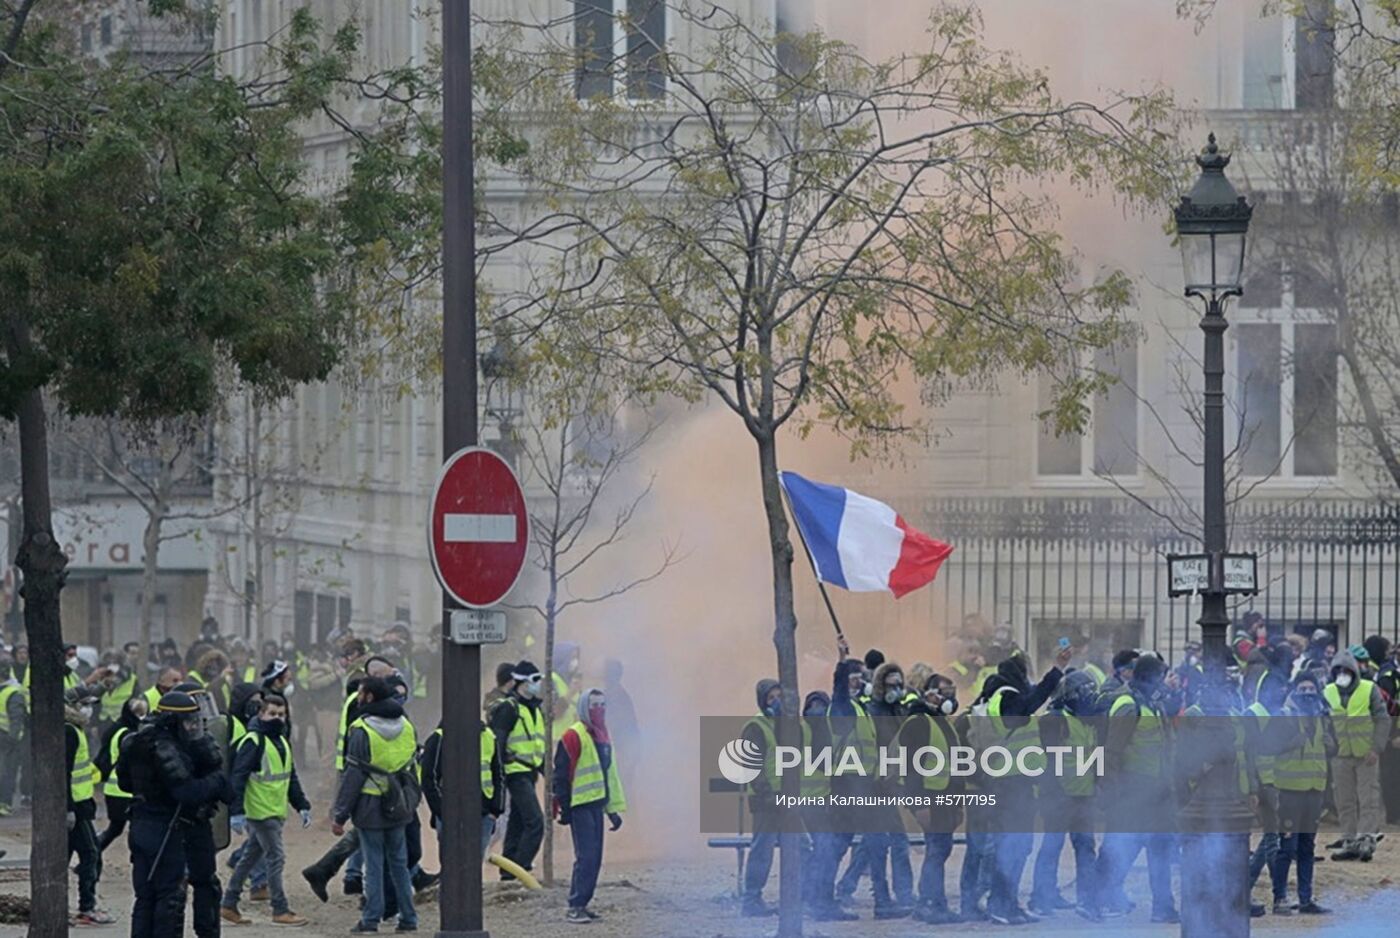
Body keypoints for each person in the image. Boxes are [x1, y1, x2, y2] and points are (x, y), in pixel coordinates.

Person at [119, 691, 230, 938]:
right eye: (188, 722)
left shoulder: (135, 740)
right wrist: (216, 781)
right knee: (167, 896)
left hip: (141, 824)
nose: (193, 727)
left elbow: (125, 784)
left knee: (146, 896)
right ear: (173, 721)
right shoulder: (163, 746)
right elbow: (187, 792)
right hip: (163, 828)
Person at [979, 648, 1068, 925]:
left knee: (1019, 845)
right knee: (1012, 846)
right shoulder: (1007, 696)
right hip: (1009, 784)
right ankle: (1000, 903)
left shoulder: (1003, 695)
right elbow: (1027, 706)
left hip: (1016, 781)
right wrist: (1055, 671)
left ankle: (1009, 902)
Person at [332, 677, 419, 934]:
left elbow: (354, 775)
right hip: (400, 803)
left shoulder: (361, 729)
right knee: (400, 865)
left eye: (360, 693)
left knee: (374, 865)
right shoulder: (406, 725)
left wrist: (340, 814)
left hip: (370, 805)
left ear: (369, 697)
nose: (357, 697)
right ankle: (409, 919)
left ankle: (370, 920)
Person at [221, 694, 311, 927]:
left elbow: (290, 777)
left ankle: (228, 903)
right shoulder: (253, 741)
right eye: (272, 714)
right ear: (260, 714)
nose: (277, 718)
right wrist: (237, 811)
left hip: (275, 810)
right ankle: (280, 909)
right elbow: (238, 777)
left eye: (281, 714)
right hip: (259, 811)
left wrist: (302, 804)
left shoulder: (281, 741)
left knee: (250, 857)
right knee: (276, 858)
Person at [1099, 654, 1176, 923]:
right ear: (1148, 677)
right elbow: (1111, 754)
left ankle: (1163, 907)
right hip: (1132, 794)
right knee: (1122, 850)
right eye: (1160, 677)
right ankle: (1101, 899)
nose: (1163, 682)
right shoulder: (1127, 705)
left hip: (1157, 794)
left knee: (1160, 851)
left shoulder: (1153, 705)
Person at [552, 688, 626, 924]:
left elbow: (608, 775)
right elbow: (561, 775)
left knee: (595, 858)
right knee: (586, 857)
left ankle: (583, 902)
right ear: (584, 707)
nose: (599, 710)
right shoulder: (573, 736)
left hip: (596, 805)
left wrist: (612, 809)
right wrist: (564, 807)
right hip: (580, 806)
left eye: (603, 705)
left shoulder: (602, 735)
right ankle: (575, 905)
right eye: (594, 705)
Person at [1030, 669, 1099, 920]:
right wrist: (1052, 792)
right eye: (1086, 692)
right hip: (1058, 796)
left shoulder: (1084, 722)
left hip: (1083, 796)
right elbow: (1045, 759)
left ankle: (1088, 901)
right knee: (1052, 846)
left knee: (1085, 847)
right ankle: (1040, 897)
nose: (1090, 697)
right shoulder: (1055, 720)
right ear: (1072, 695)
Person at [896, 673, 962, 924]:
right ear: (931, 694)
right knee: (936, 849)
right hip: (930, 797)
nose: (950, 698)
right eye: (945, 692)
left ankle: (933, 902)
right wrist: (919, 805)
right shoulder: (918, 723)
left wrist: (957, 805)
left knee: (941, 848)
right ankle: (930, 904)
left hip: (946, 798)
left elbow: (954, 765)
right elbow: (911, 768)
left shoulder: (942, 722)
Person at [1269, 673, 1335, 915]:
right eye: (1303, 688)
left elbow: (1332, 747)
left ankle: (1306, 899)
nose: (1307, 692)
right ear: (1295, 690)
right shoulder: (1284, 716)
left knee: (1307, 847)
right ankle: (1279, 898)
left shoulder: (1322, 715)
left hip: (1314, 790)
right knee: (1287, 846)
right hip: (1290, 791)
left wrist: (1331, 745)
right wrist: (1293, 742)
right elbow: (1270, 747)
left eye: (1311, 688)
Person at [1324, 648, 1387, 861]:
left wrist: (1376, 748)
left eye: (1346, 670)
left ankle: (1366, 840)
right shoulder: (1329, 692)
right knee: (1344, 800)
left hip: (1365, 755)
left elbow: (1382, 719)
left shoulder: (1369, 689)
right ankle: (1349, 841)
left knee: (1368, 798)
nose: (1342, 674)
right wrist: (1329, 747)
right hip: (1340, 756)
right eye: (1338, 670)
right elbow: (1324, 723)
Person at [487, 661, 547, 880]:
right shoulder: (509, 709)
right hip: (515, 773)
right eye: (534, 680)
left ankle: (508, 871)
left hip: (529, 772)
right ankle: (521, 869)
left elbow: (537, 744)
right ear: (521, 682)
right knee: (535, 822)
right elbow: (498, 742)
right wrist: (499, 775)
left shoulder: (535, 710)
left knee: (518, 822)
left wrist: (545, 769)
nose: (538, 685)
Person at [422, 717, 505, 860]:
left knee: (474, 865)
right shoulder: (439, 738)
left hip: (483, 813)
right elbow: (429, 779)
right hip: (449, 812)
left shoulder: (488, 736)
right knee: (451, 865)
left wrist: (495, 810)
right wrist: (442, 811)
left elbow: (499, 775)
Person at [66, 687, 111, 926]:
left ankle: (79, 905)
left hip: (81, 804)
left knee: (71, 855)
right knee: (91, 853)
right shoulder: (70, 732)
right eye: (84, 703)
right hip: (75, 807)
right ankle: (86, 907)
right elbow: (63, 773)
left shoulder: (77, 730)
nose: (89, 708)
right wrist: (68, 808)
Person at [738, 679, 783, 917]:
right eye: (771, 698)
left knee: (803, 846)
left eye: (779, 696)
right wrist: (768, 794)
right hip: (766, 802)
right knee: (762, 850)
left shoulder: (784, 726)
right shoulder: (756, 727)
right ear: (762, 701)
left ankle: (803, 895)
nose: (776, 702)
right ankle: (751, 900)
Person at [96, 696, 147, 853]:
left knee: (116, 829)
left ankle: (91, 856)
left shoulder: (118, 729)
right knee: (131, 828)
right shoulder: (128, 734)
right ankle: (91, 855)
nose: (142, 717)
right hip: (123, 790)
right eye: (139, 713)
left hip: (115, 789)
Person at [0, 660, 27, 816]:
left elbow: (17, 719)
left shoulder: (13, 693)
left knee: (7, 772)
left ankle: (4, 803)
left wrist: (12, 739)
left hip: (8, 740)